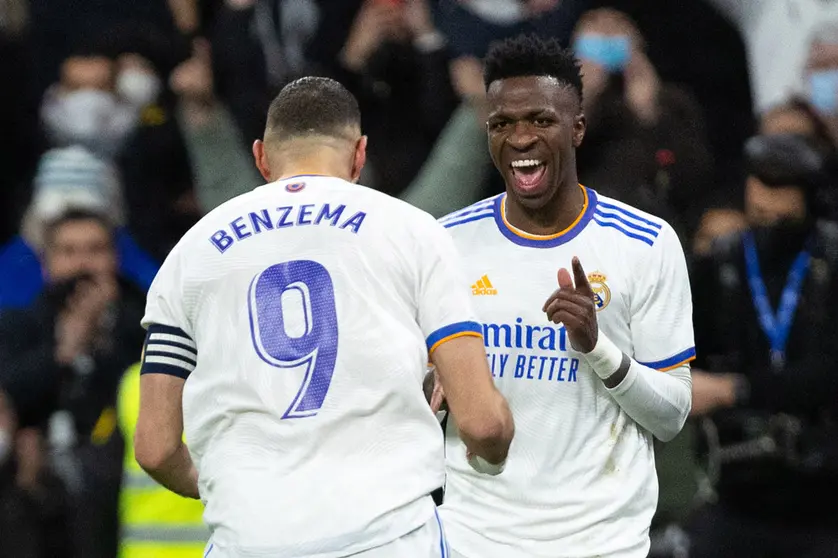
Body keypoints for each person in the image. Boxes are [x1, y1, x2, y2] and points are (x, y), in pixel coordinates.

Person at [134, 76, 514, 558]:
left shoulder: (189, 252)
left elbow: (155, 446)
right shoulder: (414, 231)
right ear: (359, 154)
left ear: (260, 157)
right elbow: (483, 423)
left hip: (246, 541)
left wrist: (215, 488)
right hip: (387, 539)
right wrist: (495, 451)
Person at [435, 34, 694, 558]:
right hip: (472, 540)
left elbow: (672, 414)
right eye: (502, 124)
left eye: (540, 120)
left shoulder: (644, 243)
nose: (520, 138)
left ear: (576, 129)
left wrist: (598, 347)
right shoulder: (444, 243)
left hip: (601, 542)